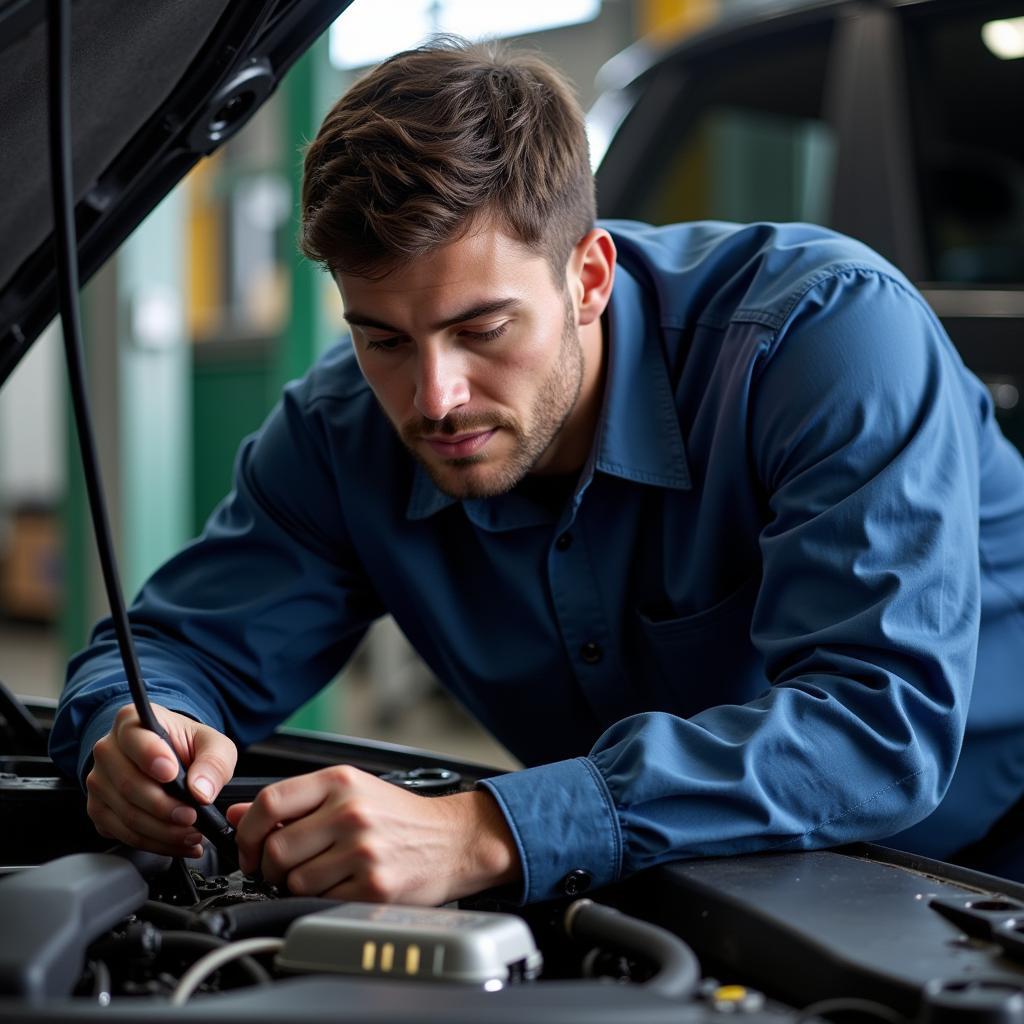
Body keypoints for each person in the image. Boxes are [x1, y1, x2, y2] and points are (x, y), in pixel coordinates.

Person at [50, 38, 1024, 906]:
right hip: (684, 888)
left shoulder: (824, 339)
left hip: (981, 866)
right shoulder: (340, 431)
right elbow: (179, 648)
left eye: (481, 329)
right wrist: (134, 735)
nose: (433, 396)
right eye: (382, 336)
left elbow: (875, 726)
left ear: (589, 277)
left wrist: (487, 828)